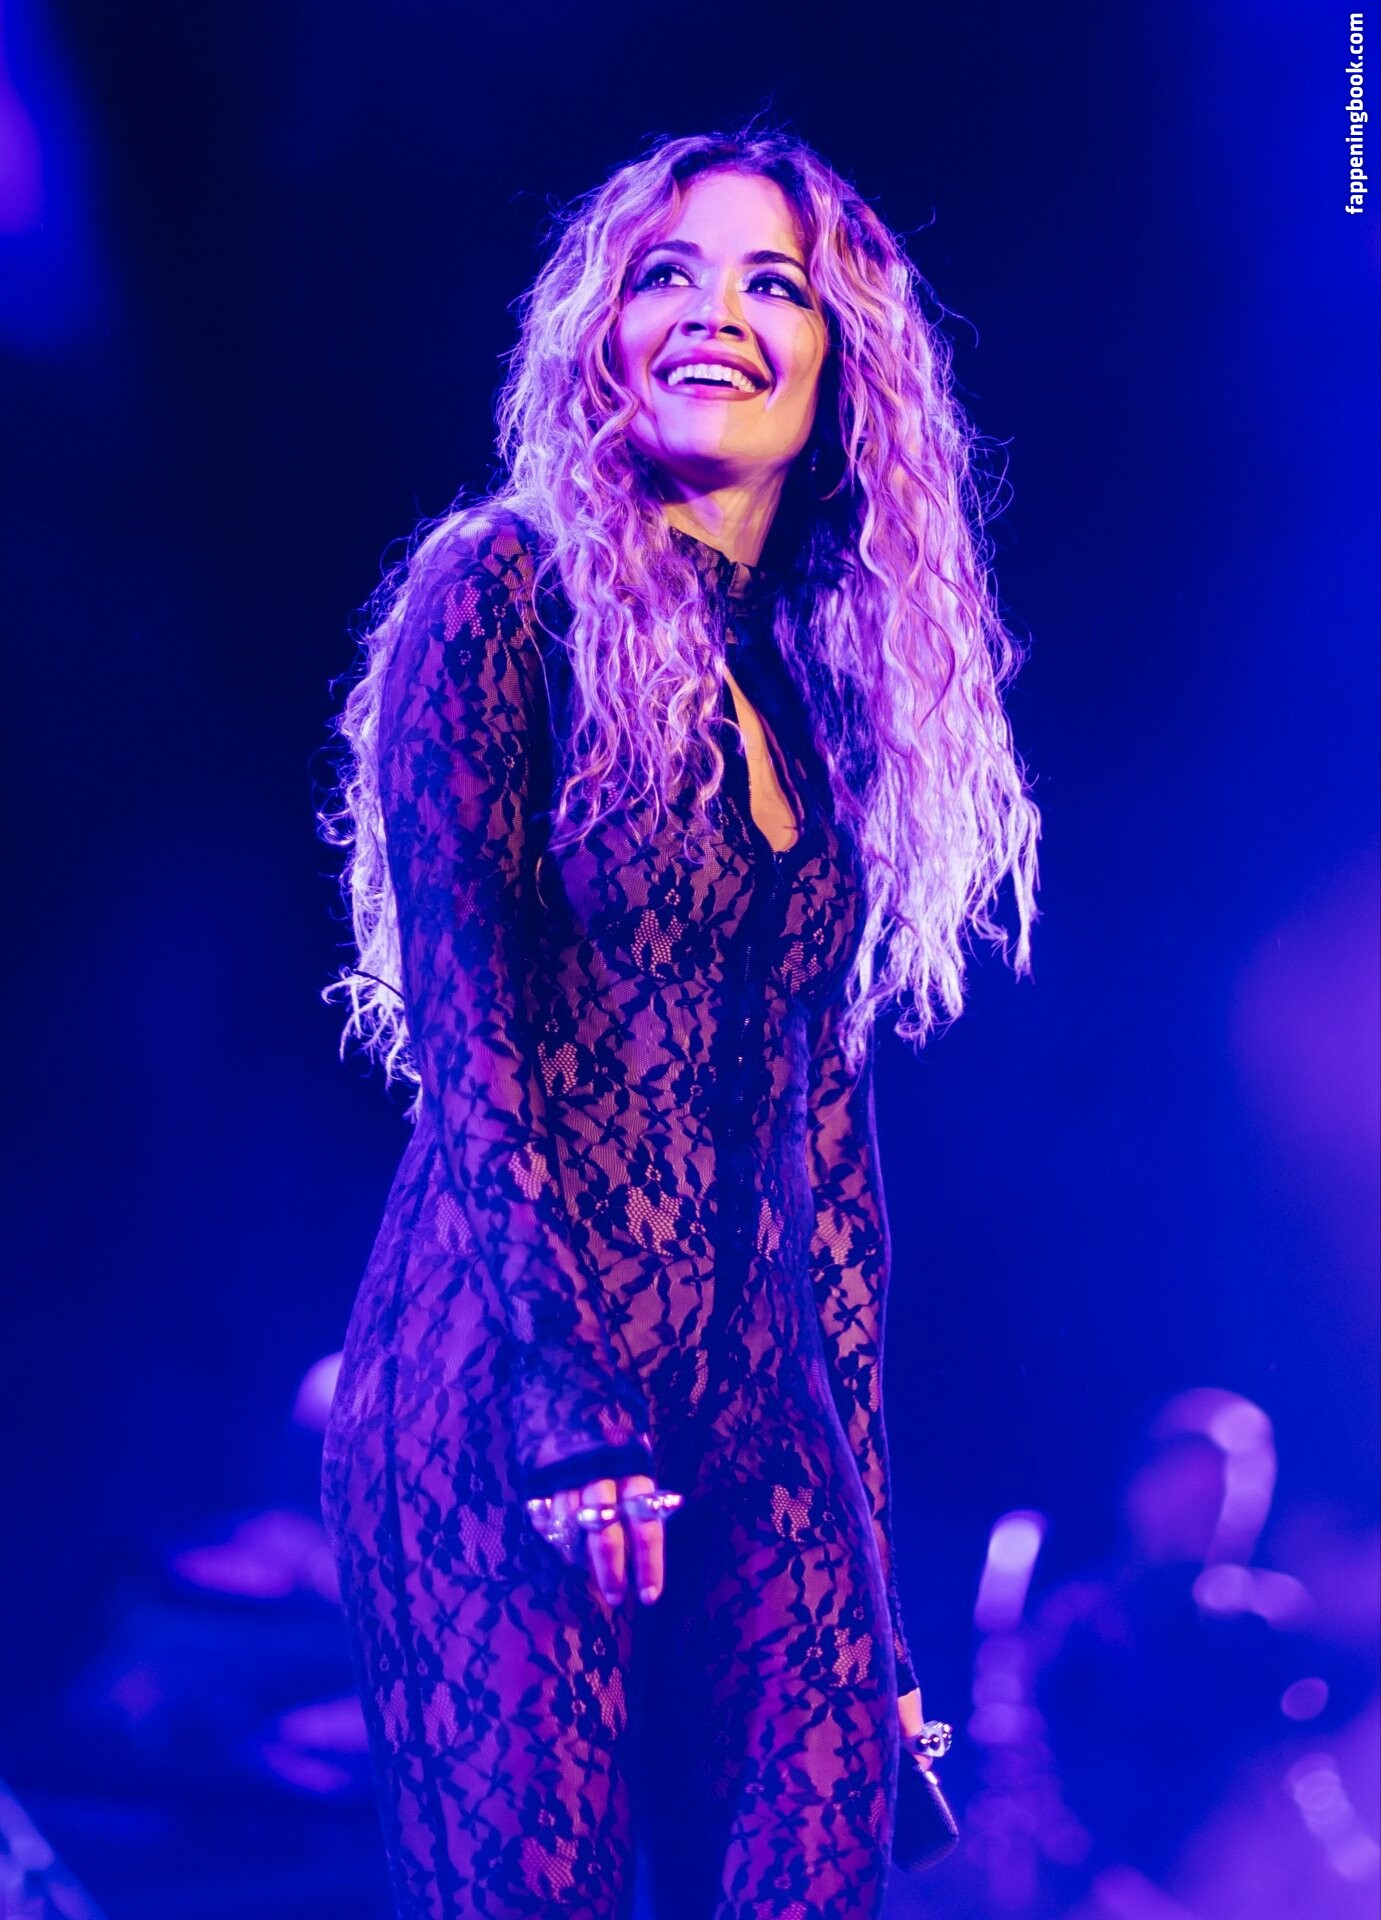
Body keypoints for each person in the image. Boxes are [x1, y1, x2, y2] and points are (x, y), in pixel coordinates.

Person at [318, 124, 1039, 1920]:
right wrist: (565, 1396)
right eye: (668, 272)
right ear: (603, 332)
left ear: (838, 358)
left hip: (761, 1410)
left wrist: (871, 1594)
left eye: (771, 282)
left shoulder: (806, 690)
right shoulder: (497, 594)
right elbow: (473, 1040)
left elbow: (826, 1170)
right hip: (505, 1378)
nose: (717, 312)